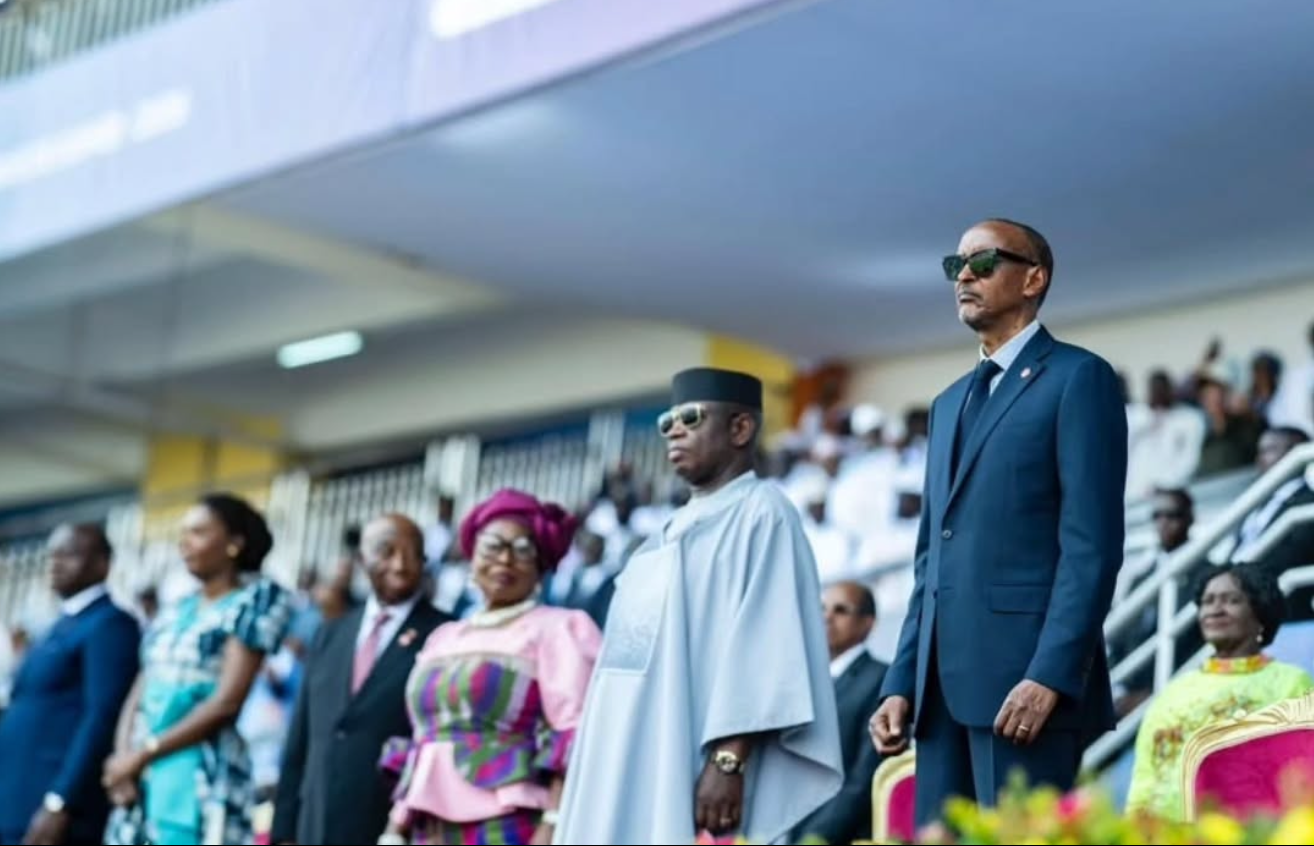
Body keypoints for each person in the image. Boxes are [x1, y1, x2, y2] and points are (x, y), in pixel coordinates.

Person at [870, 219, 1128, 828]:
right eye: (955, 266)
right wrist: (901, 677)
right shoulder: (947, 401)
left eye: (983, 263)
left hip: (1024, 687)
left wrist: (1050, 674)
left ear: (1033, 278)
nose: (963, 275)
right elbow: (931, 559)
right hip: (938, 692)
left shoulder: (1077, 377)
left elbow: (1091, 548)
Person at [554, 367, 843, 845]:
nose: (675, 430)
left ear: (740, 428)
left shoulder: (762, 511)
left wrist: (727, 760)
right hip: (622, 753)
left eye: (691, 417)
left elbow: (767, 645)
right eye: (667, 422)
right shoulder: (661, 532)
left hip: (688, 757)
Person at [376, 490, 601, 846]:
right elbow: (425, 741)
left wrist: (553, 825)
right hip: (429, 829)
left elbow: (575, 736)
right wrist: (395, 827)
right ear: (471, 556)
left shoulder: (561, 628)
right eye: (492, 545)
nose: (505, 559)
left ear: (541, 565)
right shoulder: (443, 638)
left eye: (523, 549)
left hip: (510, 826)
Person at [103, 493, 294, 846]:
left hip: (201, 772)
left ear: (234, 543)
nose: (185, 543)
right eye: (183, 534)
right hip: (142, 774)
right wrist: (121, 760)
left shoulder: (257, 600)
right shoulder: (176, 608)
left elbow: (226, 702)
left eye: (199, 532)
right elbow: (141, 687)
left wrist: (143, 753)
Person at [272, 514, 449, 845]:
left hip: (390, 826)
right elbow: (300, 738)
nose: (400, 564)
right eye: (387, 551)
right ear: (361, 558)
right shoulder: (330, 633)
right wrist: (284, 830)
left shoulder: (445, 635)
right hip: (316, 823)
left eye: (412, 554)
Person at [1126, 564, 1313, 820]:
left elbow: (1300, 776)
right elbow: (1144, 784)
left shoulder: (1291, 683)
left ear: (1260, 613)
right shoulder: (1173, 692)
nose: (1214, 609)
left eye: (1232, 600)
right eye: (1207, 601)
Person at [0, 524, 140, 846]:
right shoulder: (58, 624)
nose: (56, 563)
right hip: (16, 797)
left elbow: (101, 716)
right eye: (52, 555)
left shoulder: (110, 624)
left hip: (53, 807)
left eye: (70, 554)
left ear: (102, 564)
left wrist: (60, 800)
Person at [791, 582, 888, 845]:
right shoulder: (804, 681)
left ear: (868, 623)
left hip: (843, 834)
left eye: (841, 610)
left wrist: (813, 838)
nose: (827, 617)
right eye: (822, 608)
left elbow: (864, 777)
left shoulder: (882, 680)